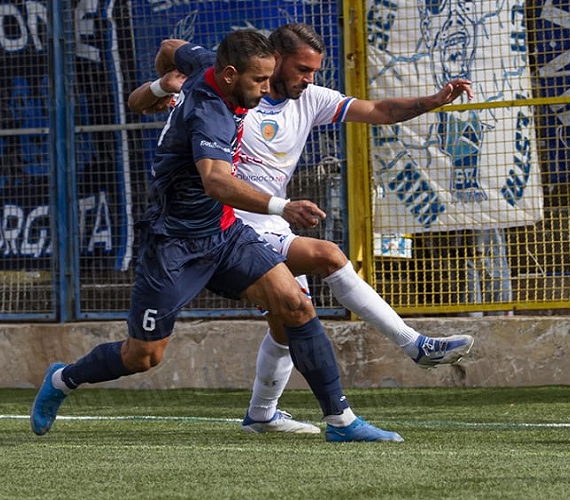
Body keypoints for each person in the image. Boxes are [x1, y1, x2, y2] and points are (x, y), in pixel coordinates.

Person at [31, 29, 402, 443]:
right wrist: (283, 207)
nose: (265, 91)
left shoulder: (210, 63)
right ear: (228, 75)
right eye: (258, 82)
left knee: (295, 305)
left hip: (224, 232)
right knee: (143, 356)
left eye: (268, 79)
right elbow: (216, 182)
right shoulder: (211, 113)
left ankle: (341, 422)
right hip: (173, 243)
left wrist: (160, 84)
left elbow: (168, 47)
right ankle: (63, 379)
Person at [128, 23, 475, 434]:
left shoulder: (310, 99)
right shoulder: (232, 90)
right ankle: (413, 345)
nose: (309, 78)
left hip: (273, 219)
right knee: (325, 258)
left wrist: (433, 101)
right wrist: (160, 87)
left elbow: (379, 112)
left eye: (314, 70)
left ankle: (261, 415)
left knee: (289, 319)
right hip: (233, 220)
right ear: (274, 60)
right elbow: (170, 47)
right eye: (302, 68)